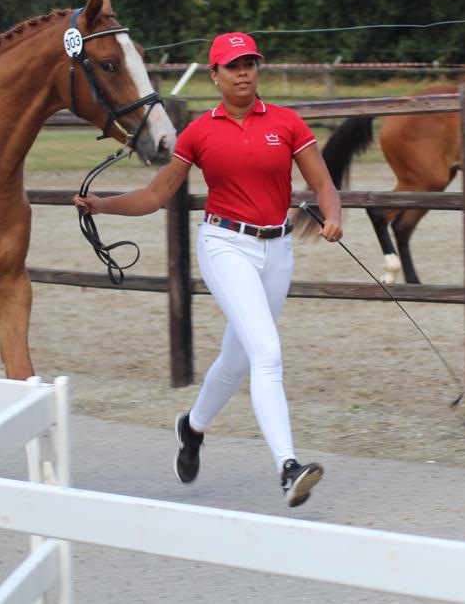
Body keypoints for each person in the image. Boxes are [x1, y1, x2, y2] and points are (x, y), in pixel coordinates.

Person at [74, 32, 343, 507]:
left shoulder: (286, 123)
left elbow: (322, 182)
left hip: (277, 252)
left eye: (250, 64)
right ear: (215, 75)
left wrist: (334, 215)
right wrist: (102, 205)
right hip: (225, 246)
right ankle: (287, 467)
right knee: (267, 352)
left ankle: (192, 427)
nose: (244, 73)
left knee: (239, 358)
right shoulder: (199, 133)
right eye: (233, 66)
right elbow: (157, 195)